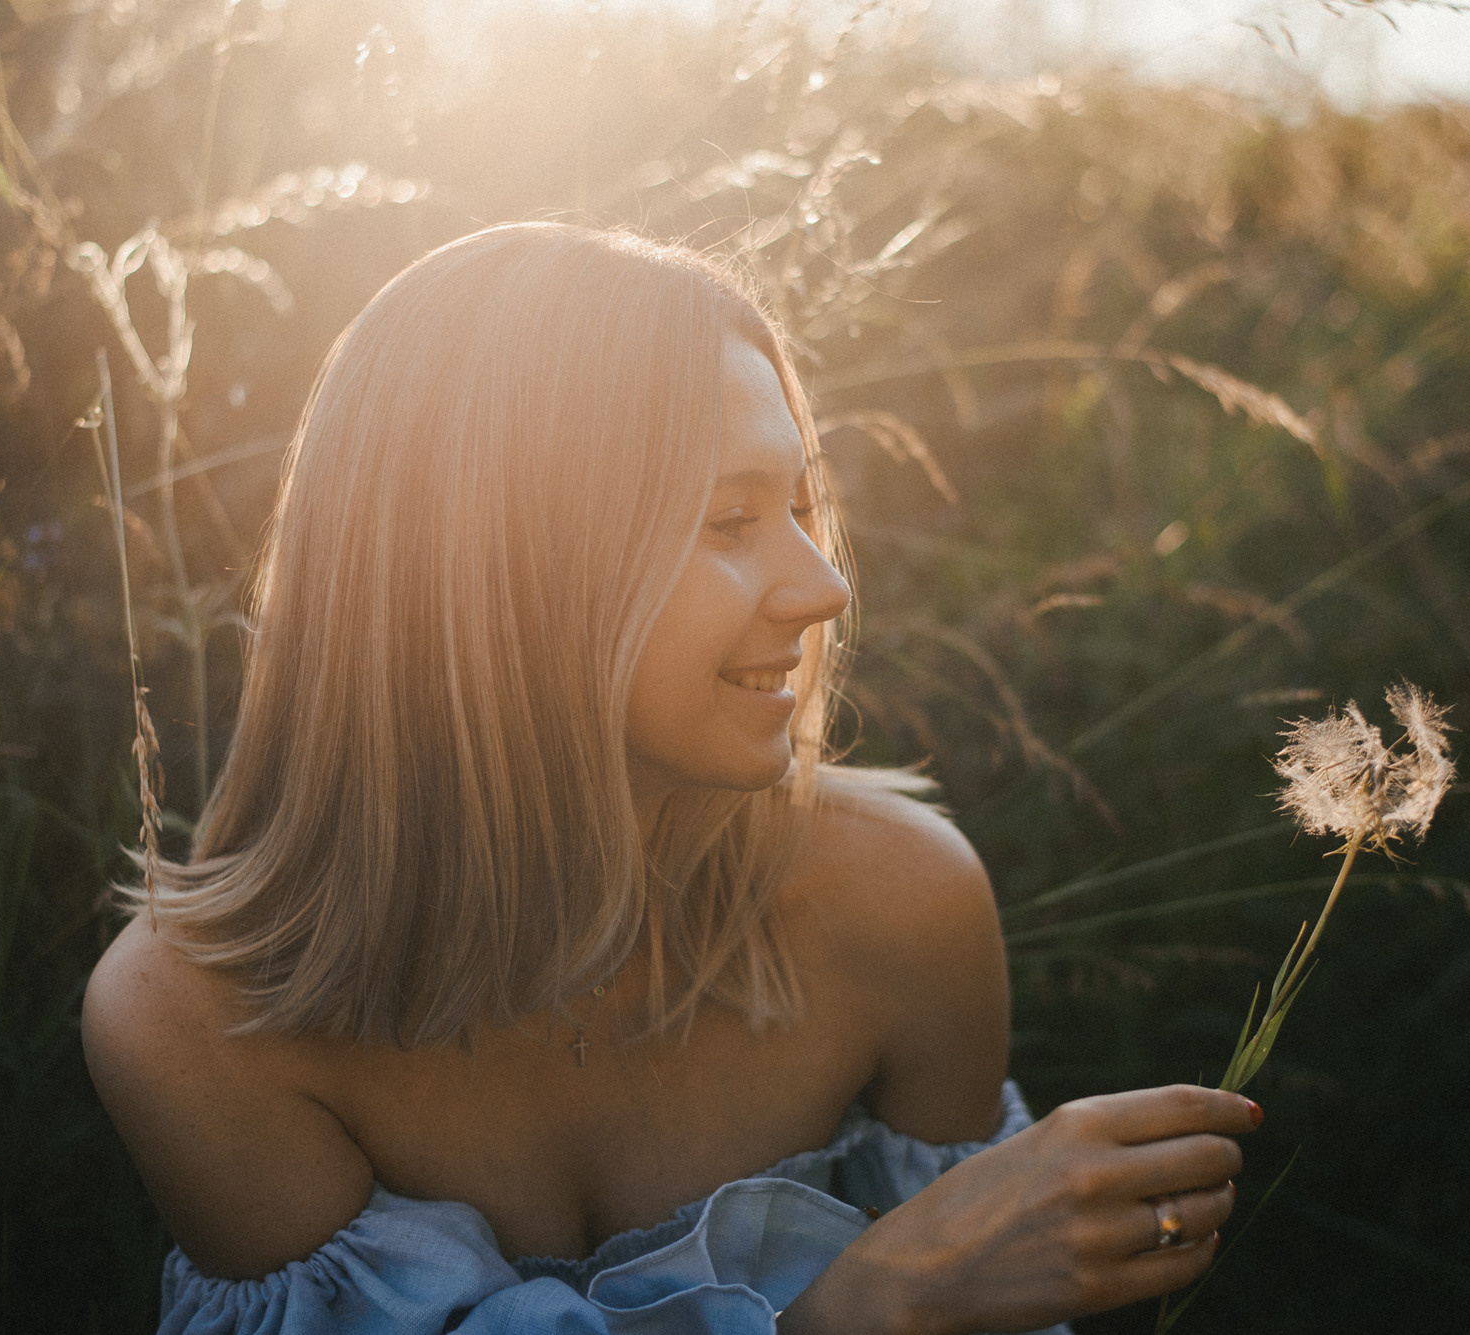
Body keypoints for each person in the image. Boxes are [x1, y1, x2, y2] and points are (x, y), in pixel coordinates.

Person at [81, 222, 1257, 1334]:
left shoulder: (900, 904)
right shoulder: (196, 1022)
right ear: (504, 571)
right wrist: (864, 1308)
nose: (824, 588)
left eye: (800, 505)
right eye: (729, 520)